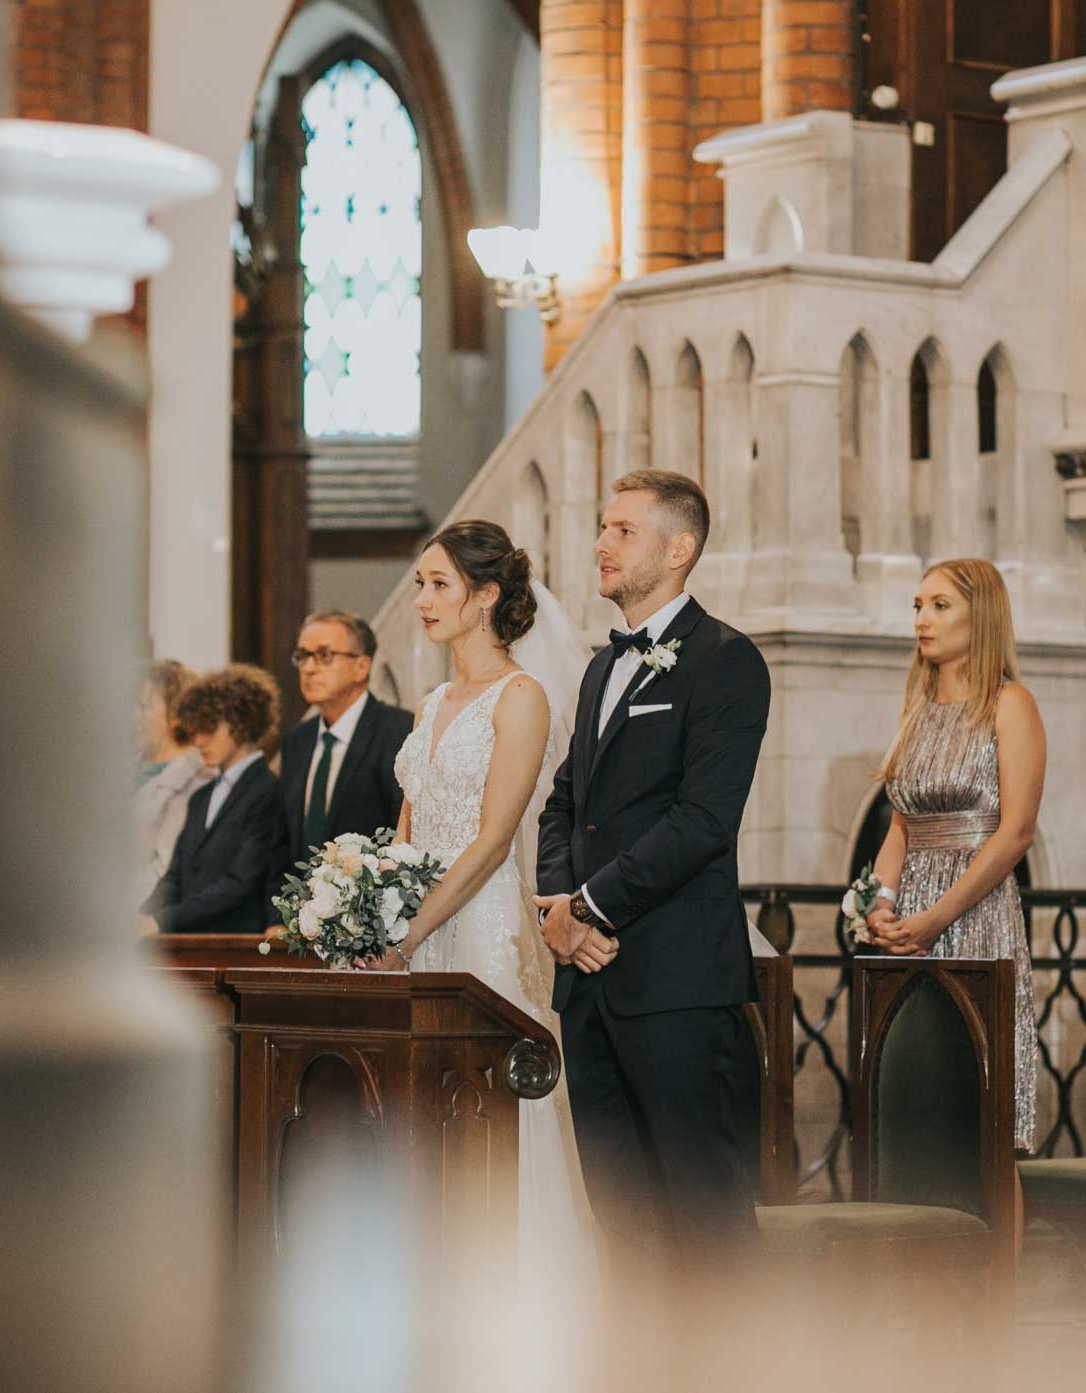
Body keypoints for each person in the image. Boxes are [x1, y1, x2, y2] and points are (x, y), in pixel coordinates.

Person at [534, 469, 771, 1262]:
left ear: (680, 548)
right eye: (602, 528)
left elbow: (703, 820)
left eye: (622, 531)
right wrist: (558, 909)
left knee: (704, 1224)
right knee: (624, 1225)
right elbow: (564, 804)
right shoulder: (601, 668)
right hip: (589, 984)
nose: (601, 544)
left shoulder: (725, 661)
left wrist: (590, 907)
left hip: (675, 983)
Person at [366, 518, 596, 1287]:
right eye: (422, 582)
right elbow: (409, 819)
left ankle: (516, 1289)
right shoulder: (432, 701)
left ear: (487, 594)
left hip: (480, 925)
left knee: (491, 1101)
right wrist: (377, 909)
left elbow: (496, 838)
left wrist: (411, 927)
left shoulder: (520, 697)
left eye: (439, 584)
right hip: (416, 926)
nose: (422, 599)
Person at [861, 558, 1046, 1151]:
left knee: (980, 1123)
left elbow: (1016, 832)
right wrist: (881, 905)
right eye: (918, 606)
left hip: (976, 914)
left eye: (940, 606)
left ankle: (997, 1246)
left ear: (981, 616)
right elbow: (902, 825)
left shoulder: (1010, 704)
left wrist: (936, 919)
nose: (922, 619)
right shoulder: (915, 709)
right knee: (915, 1111)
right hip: (907, 923)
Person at [146, 665, 289, 934]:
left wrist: (160, 920)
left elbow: (241, 882)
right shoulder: (201, 797)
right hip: (189, 941)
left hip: (236, 943)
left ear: (241, 723)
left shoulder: (269, 791)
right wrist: (141, 915)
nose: (198, 741)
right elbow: (174, 877)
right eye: (195, 729)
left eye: (209, 728)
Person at [279, 609, 414, 869]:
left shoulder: (398, 731)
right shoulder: (297, 740)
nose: (308, 668)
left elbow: (406, 837)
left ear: (361, 667)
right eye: (303, 656)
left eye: (324, 656)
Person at [131, 659, 213, 917]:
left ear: (177, 714)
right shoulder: (128, 766)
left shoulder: (196, 780)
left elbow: (164, 870)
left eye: (143, 705)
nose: (133, 714)